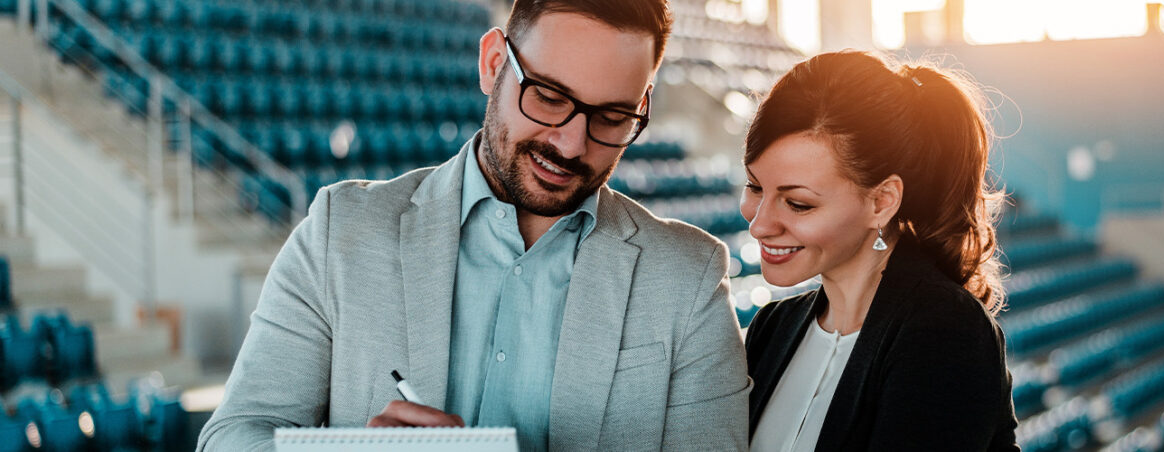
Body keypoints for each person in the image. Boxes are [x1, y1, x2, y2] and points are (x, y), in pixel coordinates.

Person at [198, 1, 751, 450]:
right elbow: (233, 435)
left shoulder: (689, 277)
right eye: (549, 97)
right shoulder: (339, 231)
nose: (571, 143)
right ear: (492, 64)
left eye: (612, 117)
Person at [740, 50, 1019, 451]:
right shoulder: (774, 327)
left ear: (882, 201)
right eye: (754, 187)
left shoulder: (945, 332)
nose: (759, 223)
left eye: (798, 203)